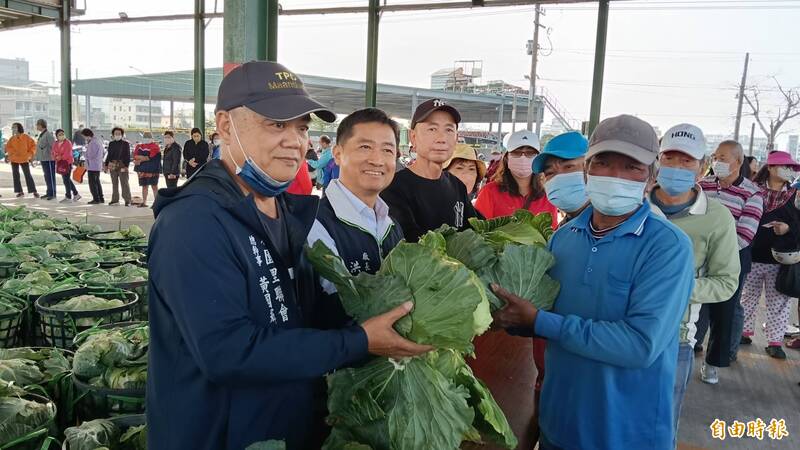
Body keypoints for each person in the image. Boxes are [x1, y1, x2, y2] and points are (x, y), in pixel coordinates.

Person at [146, 61, 429, 450]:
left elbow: (304, 318)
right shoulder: (193, 222)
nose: (295, 141)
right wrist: (360, 341)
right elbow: (228, 353)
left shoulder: (291, 212)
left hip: (286, 426)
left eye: (301, 128)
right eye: (276, 124)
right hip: (219, 434)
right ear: (226, 126)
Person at [492, 115, 694, 450]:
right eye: (602, 162)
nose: (614, 175)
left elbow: (639, 345)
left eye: (632, 166)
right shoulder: (563, 237)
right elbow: (547, 315)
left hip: (626, 434)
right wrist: (511, 317)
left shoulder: (668, 246)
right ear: (587, 170)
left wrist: (540, 321)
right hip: (560, 425)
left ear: (651, 177)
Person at [650, 124, 739, 446]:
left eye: (687, 161)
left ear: (703, 168)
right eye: (669, 157)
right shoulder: (634, 205)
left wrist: (678, 290)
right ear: (657, 160)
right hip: (619, 329)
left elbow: (726, 282)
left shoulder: (717, 217)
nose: (676, 166)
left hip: (676, 341)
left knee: (660, 426)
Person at [307, 108, 404, 326]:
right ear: (338, 154)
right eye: (365, 147)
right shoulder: (314, 225)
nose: (378, 160)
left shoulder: (391, 224)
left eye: (388, 150)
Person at [695, 140, 763, 383]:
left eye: (723, 157)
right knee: (694, 305)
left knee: (724, 312)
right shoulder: (702, 186)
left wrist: (714, 253)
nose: (717, 162)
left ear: (739, 161)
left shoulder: (752, 193)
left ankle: (713, 363)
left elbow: (745, 235)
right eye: (715, 156)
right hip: (698, 258)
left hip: (733, 260)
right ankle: (690, 345)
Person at [380, 98, 479, 242]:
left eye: (449, 130)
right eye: (432, 129)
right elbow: (410, 244)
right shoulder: (393, 188)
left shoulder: (457, 186)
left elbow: (475, 231)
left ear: (456, 138)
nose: (441, 138)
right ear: (413, 137)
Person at [739, 150, 800, 360]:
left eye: (792, 168)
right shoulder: (752, 191)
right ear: (772, 168)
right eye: (786, 167)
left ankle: (774, 341)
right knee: (748, 296)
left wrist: (788, 228)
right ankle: (743, 333)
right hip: (752, 254)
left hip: (781, 258)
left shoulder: (796, 195)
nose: (790, 171)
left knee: (779, 302)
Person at [475, 129, 558, 227]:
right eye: (517, 152)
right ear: (507, 158)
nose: (523, 157)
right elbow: (479, 230)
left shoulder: (548, 196)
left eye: (530, 153)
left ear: (537, 159)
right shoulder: (489, 192)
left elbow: (551, 234)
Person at [533, 131, 590, 224]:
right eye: (550, 172)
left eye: (568, 167)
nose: (558, 177)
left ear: (590, 168)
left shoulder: (605, 226)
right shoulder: (563, 229)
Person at [5, 122, 38, 198]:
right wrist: (11, 154)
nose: (13, 129)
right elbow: (8, 148)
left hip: (24, 158)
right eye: (13, 127)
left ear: (19, 128)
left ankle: (34, 191)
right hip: (14, 159)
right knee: (15, 175)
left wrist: (29, 154)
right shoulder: (12, 139)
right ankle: (20, 191)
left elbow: (33, 145)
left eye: (15, 127)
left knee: (27, 175)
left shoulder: (26, 137)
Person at [133, 131, 161, 208]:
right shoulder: (139, 146)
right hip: (143, 170)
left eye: (148, 138)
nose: (146, 139)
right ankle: (144, 202)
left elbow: (151, 157)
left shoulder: (155, 146)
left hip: (152, 169)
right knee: (144, 186)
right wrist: (143, 158)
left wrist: (140, 159)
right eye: (145, 137)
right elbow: (135, 156)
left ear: (152, 138)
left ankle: (157, 203)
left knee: (154, 186)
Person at [105, 127, 132, 206]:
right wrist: (106, 165)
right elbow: (109, 155)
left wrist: (126, 166)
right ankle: (115, 200)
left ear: (122, 135)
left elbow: (127, 155)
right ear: (113, 135)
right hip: (112, 165)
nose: (117, 135)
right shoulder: (111, 144)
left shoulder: (125, 144)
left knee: (124, 183)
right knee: (114, 183)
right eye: (116, 134)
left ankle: (128, 200)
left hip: (122, 165)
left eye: (119, 134)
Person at [52, 129, 80, 203]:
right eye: (59, 134)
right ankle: (76, 194)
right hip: (60, 163)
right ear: (57, 136)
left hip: (67, 163)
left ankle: (68, 196)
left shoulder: (68, 143)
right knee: (66, 179)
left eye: (62, 134)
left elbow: (68, 153)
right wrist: (56, 157)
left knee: (66, 180)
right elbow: (53, 151)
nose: (61, 135)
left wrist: (60, 157)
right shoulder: (56, 143)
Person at [82, 128, 105, 205]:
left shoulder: (93, 143)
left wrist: (84, 153)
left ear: (87, 135)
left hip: (93, 166)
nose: (84, 138)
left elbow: (91, 155)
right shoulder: (97, 141)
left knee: (93, 183)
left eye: (84, 136)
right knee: (97, 182)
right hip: (96, 165)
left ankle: (96, 198)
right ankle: (100, 198)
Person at [35, 119, 56, 200]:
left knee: (50, 176)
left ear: (41, 125)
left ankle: (52, 193)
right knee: (46, 176)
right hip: (43, 159)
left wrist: (53, 156)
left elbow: (53, 146)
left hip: (49, 159)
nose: (36, 126)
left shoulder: (48, 135)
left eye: (37, 125)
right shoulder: (42, 134)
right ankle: (49, 192)